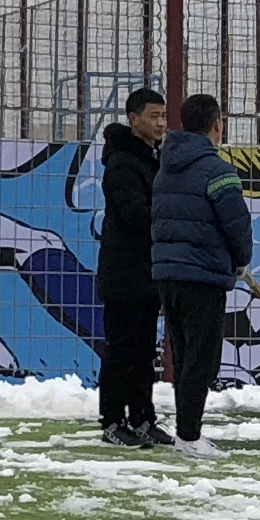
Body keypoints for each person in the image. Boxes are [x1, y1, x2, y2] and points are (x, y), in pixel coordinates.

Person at [146, 93, 252, 448]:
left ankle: (186, 430)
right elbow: (236, 224)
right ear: (217, 125)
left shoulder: (165, 169)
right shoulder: (217, 172)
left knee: (184, 354)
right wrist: (240, 259)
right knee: (202, 360)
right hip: (203, 275)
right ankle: (189, 435)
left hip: (169, 274)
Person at [96, 86, 172, 444]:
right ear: (133, 118)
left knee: (144, 351)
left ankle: (143, 418)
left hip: (147, 273)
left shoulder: (154, 159)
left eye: (164, 116)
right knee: (122, 349)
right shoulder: (122, 163)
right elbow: (134, 215)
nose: (161, 123)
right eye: (154, 116)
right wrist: (170, 216)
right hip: (124, 273)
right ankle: (112, 421)